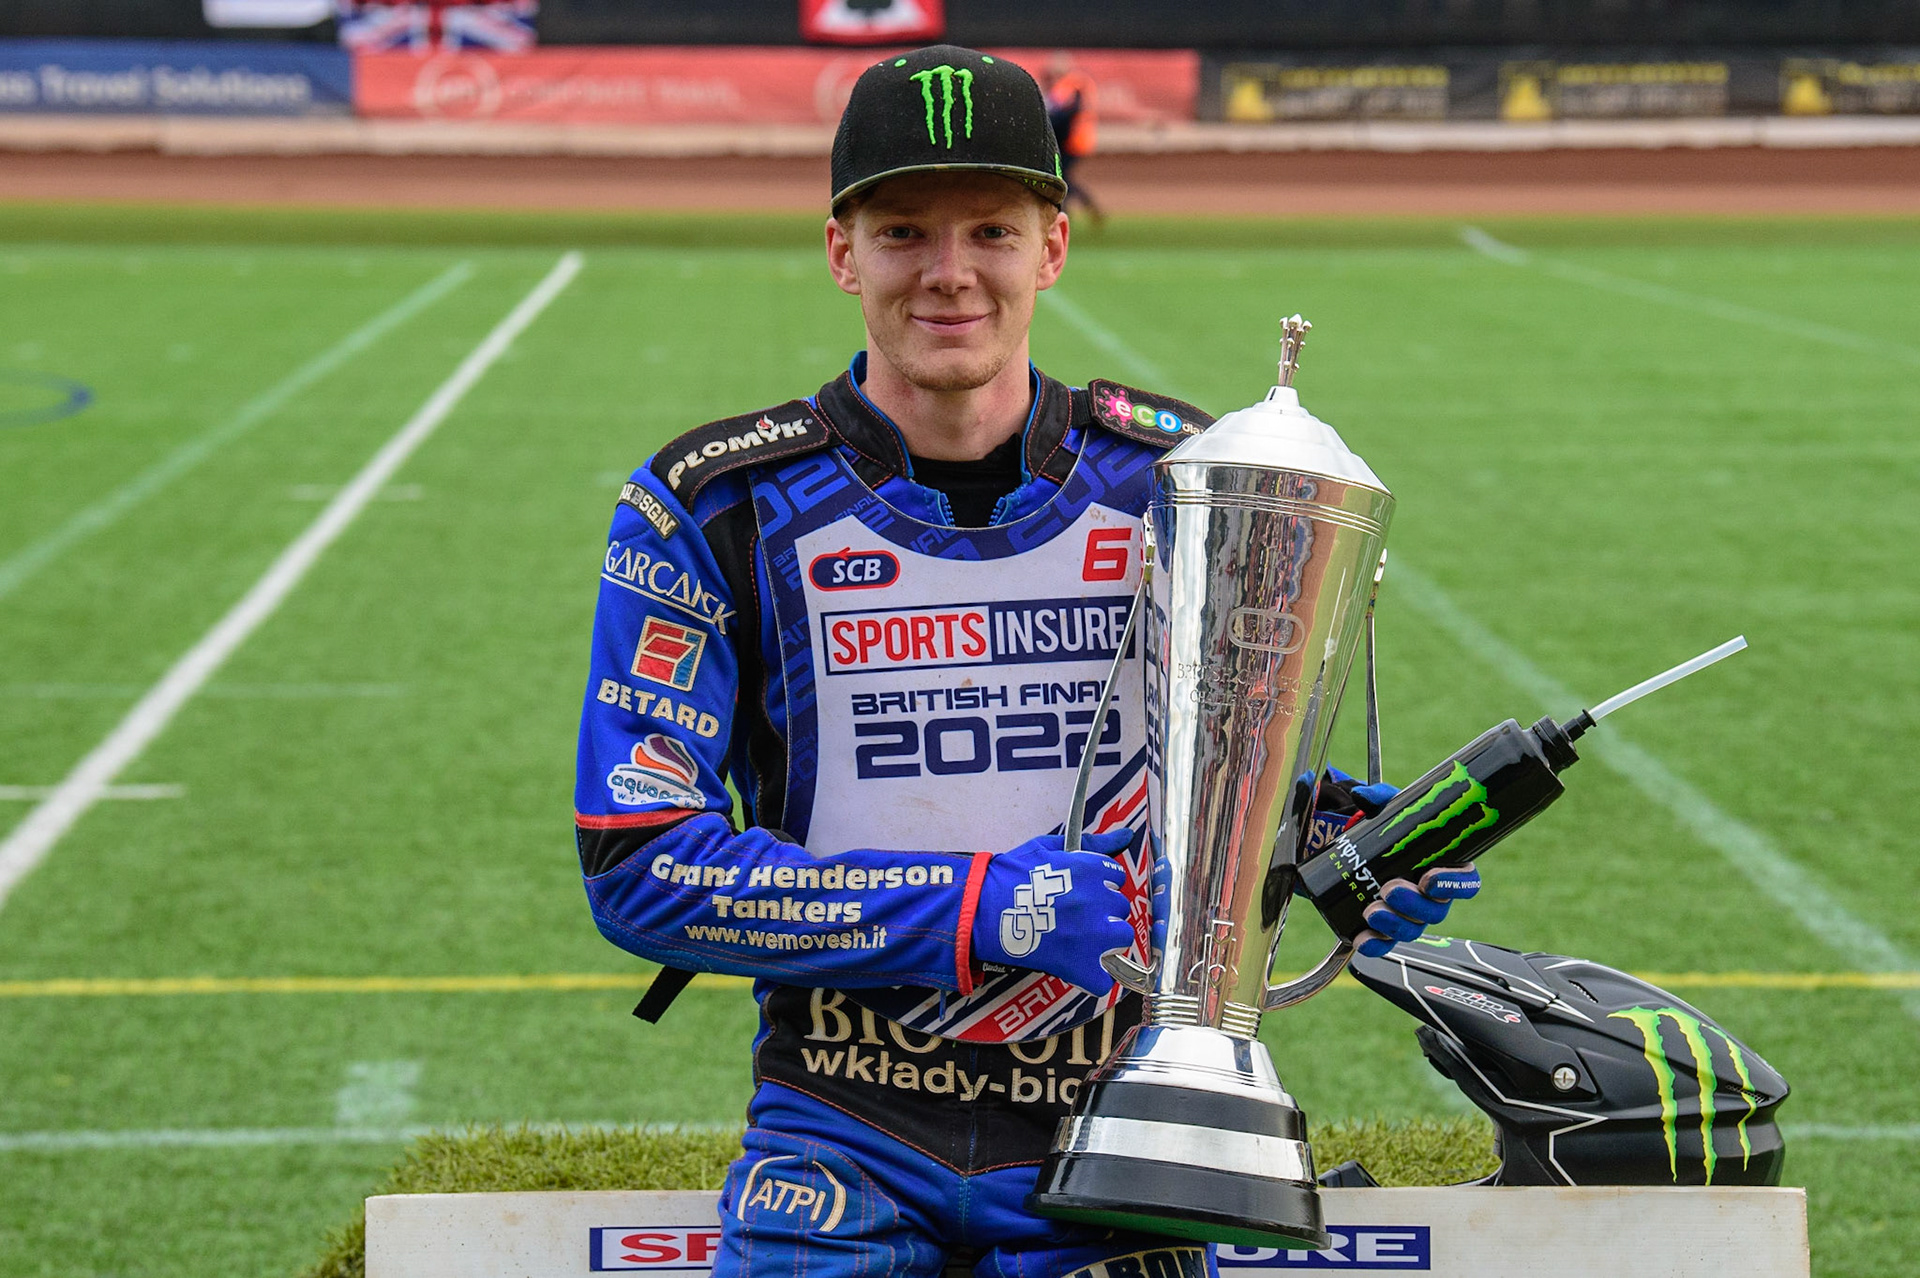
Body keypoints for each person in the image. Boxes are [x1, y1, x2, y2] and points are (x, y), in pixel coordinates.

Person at [574, 44, 1479, 1278]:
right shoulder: (713, 502)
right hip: (841, 1125)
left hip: (1125, 1118)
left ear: (1053, 247)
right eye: (904, 233)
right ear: (843, 253)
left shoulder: (1182, 485)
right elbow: (641, 869)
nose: (950, 276)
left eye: (992, 232)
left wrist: (1318, 848)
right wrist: (982, 909)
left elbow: (1204, 803)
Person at [1043, 52, 1105, 226]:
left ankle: (1071, 209)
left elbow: (1059, 113)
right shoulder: (1078, 83)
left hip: (1073, 140)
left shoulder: (1070, 85)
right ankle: (1079, 208)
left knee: (1061, 177)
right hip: (1079, 139)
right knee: (1063, 176)